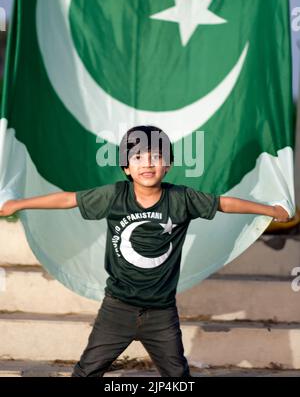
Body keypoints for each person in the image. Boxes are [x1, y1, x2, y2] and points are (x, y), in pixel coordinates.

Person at [0, 125, 290, 377]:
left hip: (161, 313)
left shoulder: (182, 198)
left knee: (177, 376)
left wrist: (270, 210)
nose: (147, 163)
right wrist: (19, 204)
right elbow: (68, 200)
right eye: (137, 157)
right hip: (117, 308)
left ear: (168, 165)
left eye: (156, 156)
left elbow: (224, 204)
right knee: (87, 371)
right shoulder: (114, 195)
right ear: (126, 167)